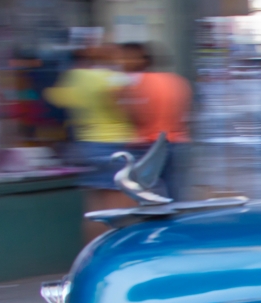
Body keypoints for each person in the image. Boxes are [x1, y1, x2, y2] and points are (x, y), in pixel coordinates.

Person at [44, 46, 137, 237]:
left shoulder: (75, 76)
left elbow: (57, 99)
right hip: (115, 143)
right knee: (119, 209)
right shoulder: (112, 78)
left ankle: (90, 251)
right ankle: (111, 255)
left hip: (86, 143)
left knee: (94, 208)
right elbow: (121, 104)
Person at [120, 42, 191, 199]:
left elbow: (139, 115)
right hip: (177, 142)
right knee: (174, 193)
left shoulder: (137, 84)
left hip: (149, 145)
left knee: (149, 195)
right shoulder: (177, 81)